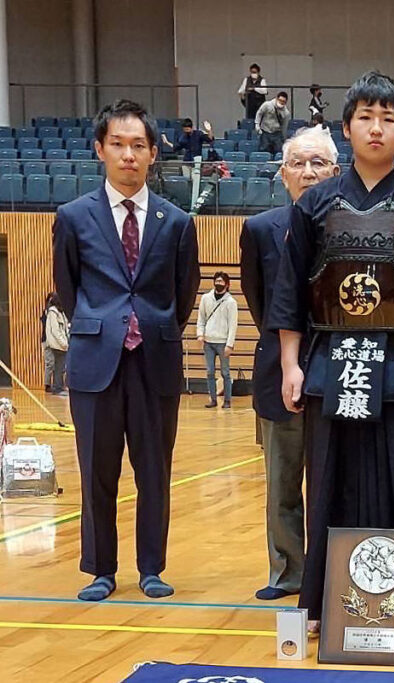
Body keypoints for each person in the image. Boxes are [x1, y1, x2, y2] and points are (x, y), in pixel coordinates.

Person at [266, 70, 394, 629]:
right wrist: (290, 366)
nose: (377, 129)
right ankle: (329, 605)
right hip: (331, 364)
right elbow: (290, 294)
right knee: (329, 481)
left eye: (389, 119)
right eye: (366, 118)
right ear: (346, 128)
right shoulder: (314, 205)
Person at [52, 99, 200, 602]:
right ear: (100, 150)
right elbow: (68, 290)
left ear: (154, 153)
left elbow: (183, 294)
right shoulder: (73, 217)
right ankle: (100, 569)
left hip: (154, 360)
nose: (128, 154)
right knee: (96, 468)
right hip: (97, 362)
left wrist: (151, 325)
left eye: (138, 145)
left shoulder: (176, 221)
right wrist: (104, 326)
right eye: (118, 144)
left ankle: (152, 567)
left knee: (154, 468)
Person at [240, 126, 341, 600]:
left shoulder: (354, 228)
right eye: (298, 163)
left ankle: (333, 571)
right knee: (282, 482)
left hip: (341, 373)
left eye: (318, 163)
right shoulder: (260, 229)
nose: (308, 172)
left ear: (336, 172)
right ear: (283, 175)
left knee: (334, 481)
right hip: (279, 374)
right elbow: (261, 306)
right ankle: (288, 572)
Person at [196, 272, 239, 409]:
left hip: (223, 342)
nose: (218, 283)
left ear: (227, 284)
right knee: (209, 371)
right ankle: (213, 399)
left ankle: (227, 400)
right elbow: (201, 318)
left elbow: (233, 324)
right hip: (208, 341)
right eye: (217, 281)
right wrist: (200, 335)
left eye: (221, 281)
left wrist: (230, 344)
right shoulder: (205, 298)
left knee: (225, 372)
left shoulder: (231, 302)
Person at [44, 293, 70, 395]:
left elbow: (65, 328)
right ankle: (57, 388)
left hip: (62, 343)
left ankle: (59, 386)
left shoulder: (61, 312)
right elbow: (55, 330)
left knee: (62, 366)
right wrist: (63, 343)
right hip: (57, 344)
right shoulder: (53, 313)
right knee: (59, 366)